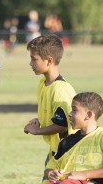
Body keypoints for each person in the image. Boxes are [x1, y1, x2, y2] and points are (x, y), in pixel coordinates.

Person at [24, 34, 76, 165]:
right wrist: (39, 121)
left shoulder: (60, 89)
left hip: (68, 152)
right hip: (55, 150)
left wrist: (37, 131)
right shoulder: (43, 83)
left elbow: (62, 125)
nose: (30, 63)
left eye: (34, 59)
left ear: (49, 60)